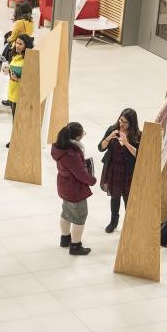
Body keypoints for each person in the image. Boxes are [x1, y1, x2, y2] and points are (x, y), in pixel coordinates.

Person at [51, 122, 96, 255]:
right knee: (79, 217)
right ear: (77, 137)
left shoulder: (60, 148)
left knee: (66, 213)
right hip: (75, 190)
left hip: (64, 186)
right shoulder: (72, 154)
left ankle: (65, 239)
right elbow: (81, 174)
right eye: (83, 134)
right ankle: (75, 246)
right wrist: (92, 180)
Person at [98, 108, 140, 233]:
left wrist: (126, 143)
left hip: (128, 171)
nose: (122, 123)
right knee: (114, 196)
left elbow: (139, 155)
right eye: (121, 120)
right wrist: (109, 137)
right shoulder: (112, 129)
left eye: (125, 122)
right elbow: (100, 148)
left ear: (132, 123)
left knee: (128, 198)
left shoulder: (137, 134)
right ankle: (113, 221)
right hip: (113, 168)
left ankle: (130, 223)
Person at [6, 34, 33, 131]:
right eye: (16, 43)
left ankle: (16, 141)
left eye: (20, 44)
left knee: (18, 120)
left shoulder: (29, 59)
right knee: (14, 119)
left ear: (26, 45)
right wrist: (8, 71)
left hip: (21, 94)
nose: (17, 45)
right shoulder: (16, 55)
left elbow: (31, 78)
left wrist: (18, 79)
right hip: (12, 91)